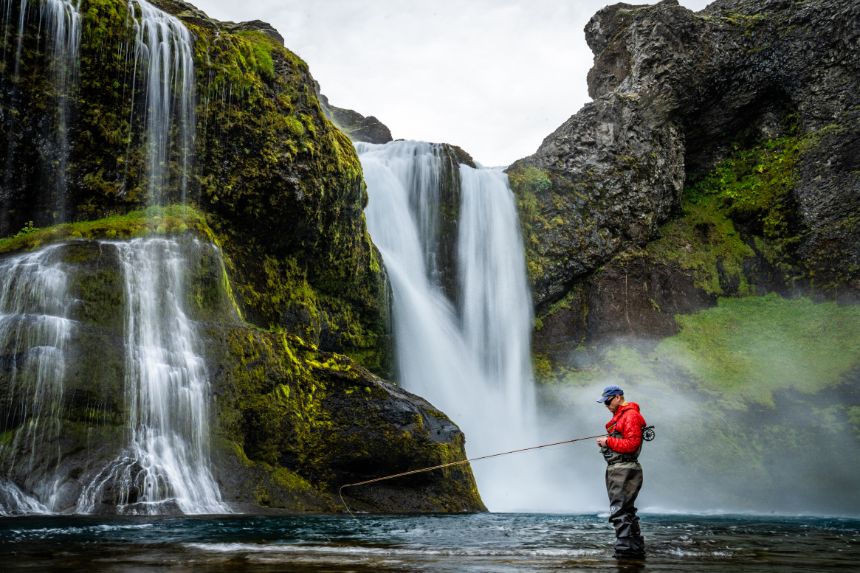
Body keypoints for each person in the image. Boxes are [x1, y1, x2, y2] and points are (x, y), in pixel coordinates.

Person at [596, 384, 646, 558]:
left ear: (618, 397)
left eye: (608, 401)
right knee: (627, 509)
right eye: (605, 403)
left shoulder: (630, 416)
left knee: (619, 509)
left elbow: (632, 445)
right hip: (622, 469)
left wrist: (608, 442)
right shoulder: (622, 417)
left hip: (623, 469)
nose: (607, 405)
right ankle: (635, 548)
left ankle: (624, 550)